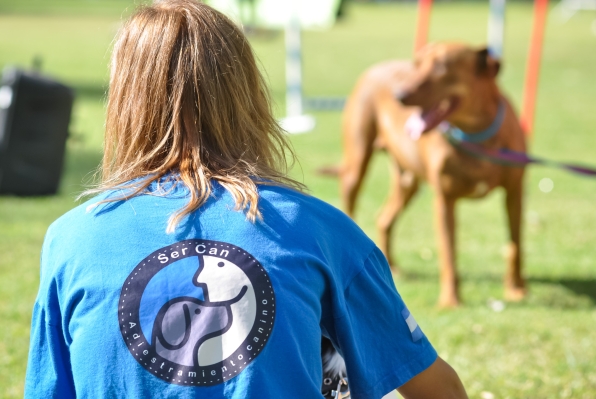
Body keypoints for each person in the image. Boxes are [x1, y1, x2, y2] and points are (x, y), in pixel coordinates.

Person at [24, 1, 468, 398]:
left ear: (124, 102)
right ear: (248, 94)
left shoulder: (70, 238)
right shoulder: (321, 231)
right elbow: (440, 392)